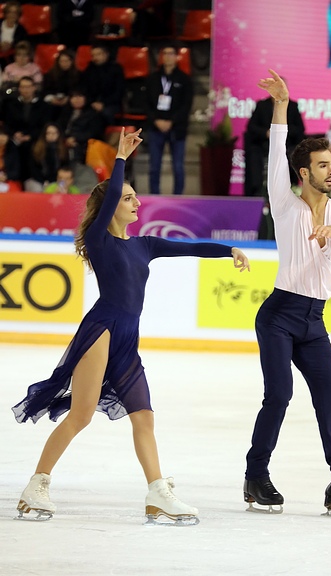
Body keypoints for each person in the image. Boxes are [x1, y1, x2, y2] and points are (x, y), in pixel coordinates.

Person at [12, 127, 250, 524]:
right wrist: (120, 158)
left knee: (144, 415)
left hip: (127, 338)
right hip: (102, 331)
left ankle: (158, 493)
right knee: (81, 415)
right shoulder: (99, 239)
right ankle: (35, 485)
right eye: (127, 197)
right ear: (111, 208)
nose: (136, 201)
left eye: (135, 196)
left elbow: (189, 248)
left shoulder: (145, 245)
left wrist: (229, 250)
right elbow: (107, 200)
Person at [243, 69, 331, 518]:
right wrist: (281, 105)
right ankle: (256, 476)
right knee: (279, 394)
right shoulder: (284, 203)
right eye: (323, 165)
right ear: (304, 173)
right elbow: (274, 153)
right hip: (279, 315)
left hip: (314, 321)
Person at [146, 44, 193, 194]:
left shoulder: (184, 79)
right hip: (156, 126)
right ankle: (154, 196)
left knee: (178, 166)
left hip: (177, 128)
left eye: (171, 53)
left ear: (176, 57)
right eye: (164, 53)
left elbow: (186, 105)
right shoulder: (153, 78)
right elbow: (145, 103)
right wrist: (156, 120)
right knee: (154, 166)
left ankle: (178, 197)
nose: (168, 56)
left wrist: (172, 121)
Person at [244, 93, 305, 197]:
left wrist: (281, 133)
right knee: (254, 155)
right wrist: (267, 133)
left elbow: (300, 129)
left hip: (287, 145)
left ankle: (292, 189)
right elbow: (251, 127)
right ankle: (256, 191)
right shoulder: (262, 105)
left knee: (294, 154)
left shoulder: (293, 106)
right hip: (263, 144)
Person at [1, 75, 47, 181]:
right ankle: (11, 177)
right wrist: (14, 134)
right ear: (19, 89)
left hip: (34, 139)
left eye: (28, 86)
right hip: (13, 139)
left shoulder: (43, 106)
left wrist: (29, 136)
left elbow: (44, 126)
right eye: (23, 87)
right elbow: (6, 124)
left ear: (34, 87)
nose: (26, 90)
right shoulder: (10, 104)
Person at [57, 88, 105, 164]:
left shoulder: (93, 114)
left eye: (80, 96)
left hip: (83, 143)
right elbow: (59, 128)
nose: (77, 99)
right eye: (74, 97)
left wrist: (75, 138)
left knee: (76, 148)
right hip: (64, 140)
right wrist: (65, 139)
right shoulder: (65, 112)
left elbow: (93, 132)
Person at [81, 45, 125, 126]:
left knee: (104, 115)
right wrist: (92, 102)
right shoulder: (90, 69)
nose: (95, 58)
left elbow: (119, 92)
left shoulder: (116, 68)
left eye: (98, 54)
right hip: (92, 103)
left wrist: (104, 103)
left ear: (106, 54)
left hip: (111, 104)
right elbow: (85, 89)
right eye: (93, 55)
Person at [25, 123, 68, 192]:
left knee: (61, 190)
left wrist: (55, 182)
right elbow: (32, 169)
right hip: (36, 180)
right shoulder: (36, 148)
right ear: (44, 134)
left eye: (54, 133)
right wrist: (43, 181)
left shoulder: (63, 150)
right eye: (49, 133)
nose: (51, 135)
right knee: (38, 190)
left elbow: (64, 168)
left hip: (56, 180)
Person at [41, 50, 81, 121]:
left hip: (70, 102)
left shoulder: (78, 75)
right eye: (62, 61)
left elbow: (79, 91)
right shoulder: (50, 75)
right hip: (53, 101)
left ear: (72, 61)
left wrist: (68, 99)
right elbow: (45, 91)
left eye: (67, 61)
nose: (64, 63)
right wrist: (52, 99)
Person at [0, 1, 27, 68]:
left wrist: (11, 46)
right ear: (6, 13)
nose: (12, 15)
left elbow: (22, 47)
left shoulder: (21, 30)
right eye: (10, 12)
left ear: (18, 15)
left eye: (15, 12)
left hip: (11, 60)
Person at [0, 124, 21, 190]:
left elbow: (16, 171)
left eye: (5, 135)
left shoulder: (12, 149)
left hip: (8, 179)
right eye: (0, 135)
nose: (2, 138)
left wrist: (6, 176)